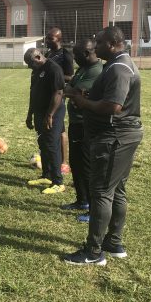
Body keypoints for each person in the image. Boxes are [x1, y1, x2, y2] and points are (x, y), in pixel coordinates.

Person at [64, 26, 143, 266]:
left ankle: (93, 252)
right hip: (120, 135)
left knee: (101, 192)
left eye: (98, 43)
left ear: (111, 43)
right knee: (116, 190)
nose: (95, 47)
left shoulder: (119, 68)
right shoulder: (117, 64)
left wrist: (82, 102)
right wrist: (87, 97)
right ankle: (113, 242)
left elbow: (113, 106)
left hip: (114, 137)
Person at [60, 39, 103, 215]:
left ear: (86, 53)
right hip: (75, 122)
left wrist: (72, 91)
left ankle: (92, 209)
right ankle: (82, 200)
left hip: (86, 124)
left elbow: (75, 91)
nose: (74, 59)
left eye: (76, 55)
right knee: (76, 164)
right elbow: (70, 88)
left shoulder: (97, 71)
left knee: (86, 166)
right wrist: (72, 90)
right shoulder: (83, 68)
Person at [24, 48, 66, 194]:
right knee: (43, 143)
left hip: (53, 113)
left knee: (51, 145)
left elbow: (58, 92)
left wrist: (50, 115)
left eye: (30, 63)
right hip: (39, 112)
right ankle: (47, 176)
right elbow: (33, 93)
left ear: (38, 57)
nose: (29, 67)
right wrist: (30, 114)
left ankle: (58, 182)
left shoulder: (54, 69)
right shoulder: (36, 71)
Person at [45, 27, 74, 174]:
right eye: (47, 37)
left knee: (60, 129)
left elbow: (70, 76)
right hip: (47, 95)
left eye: (51, 38)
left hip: (58, 96)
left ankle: (64, 163)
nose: (47, 40)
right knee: (52, 128)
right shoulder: (48, 53)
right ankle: (51, 158)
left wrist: (56, 77)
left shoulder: (65, 55)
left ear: (59, 39)